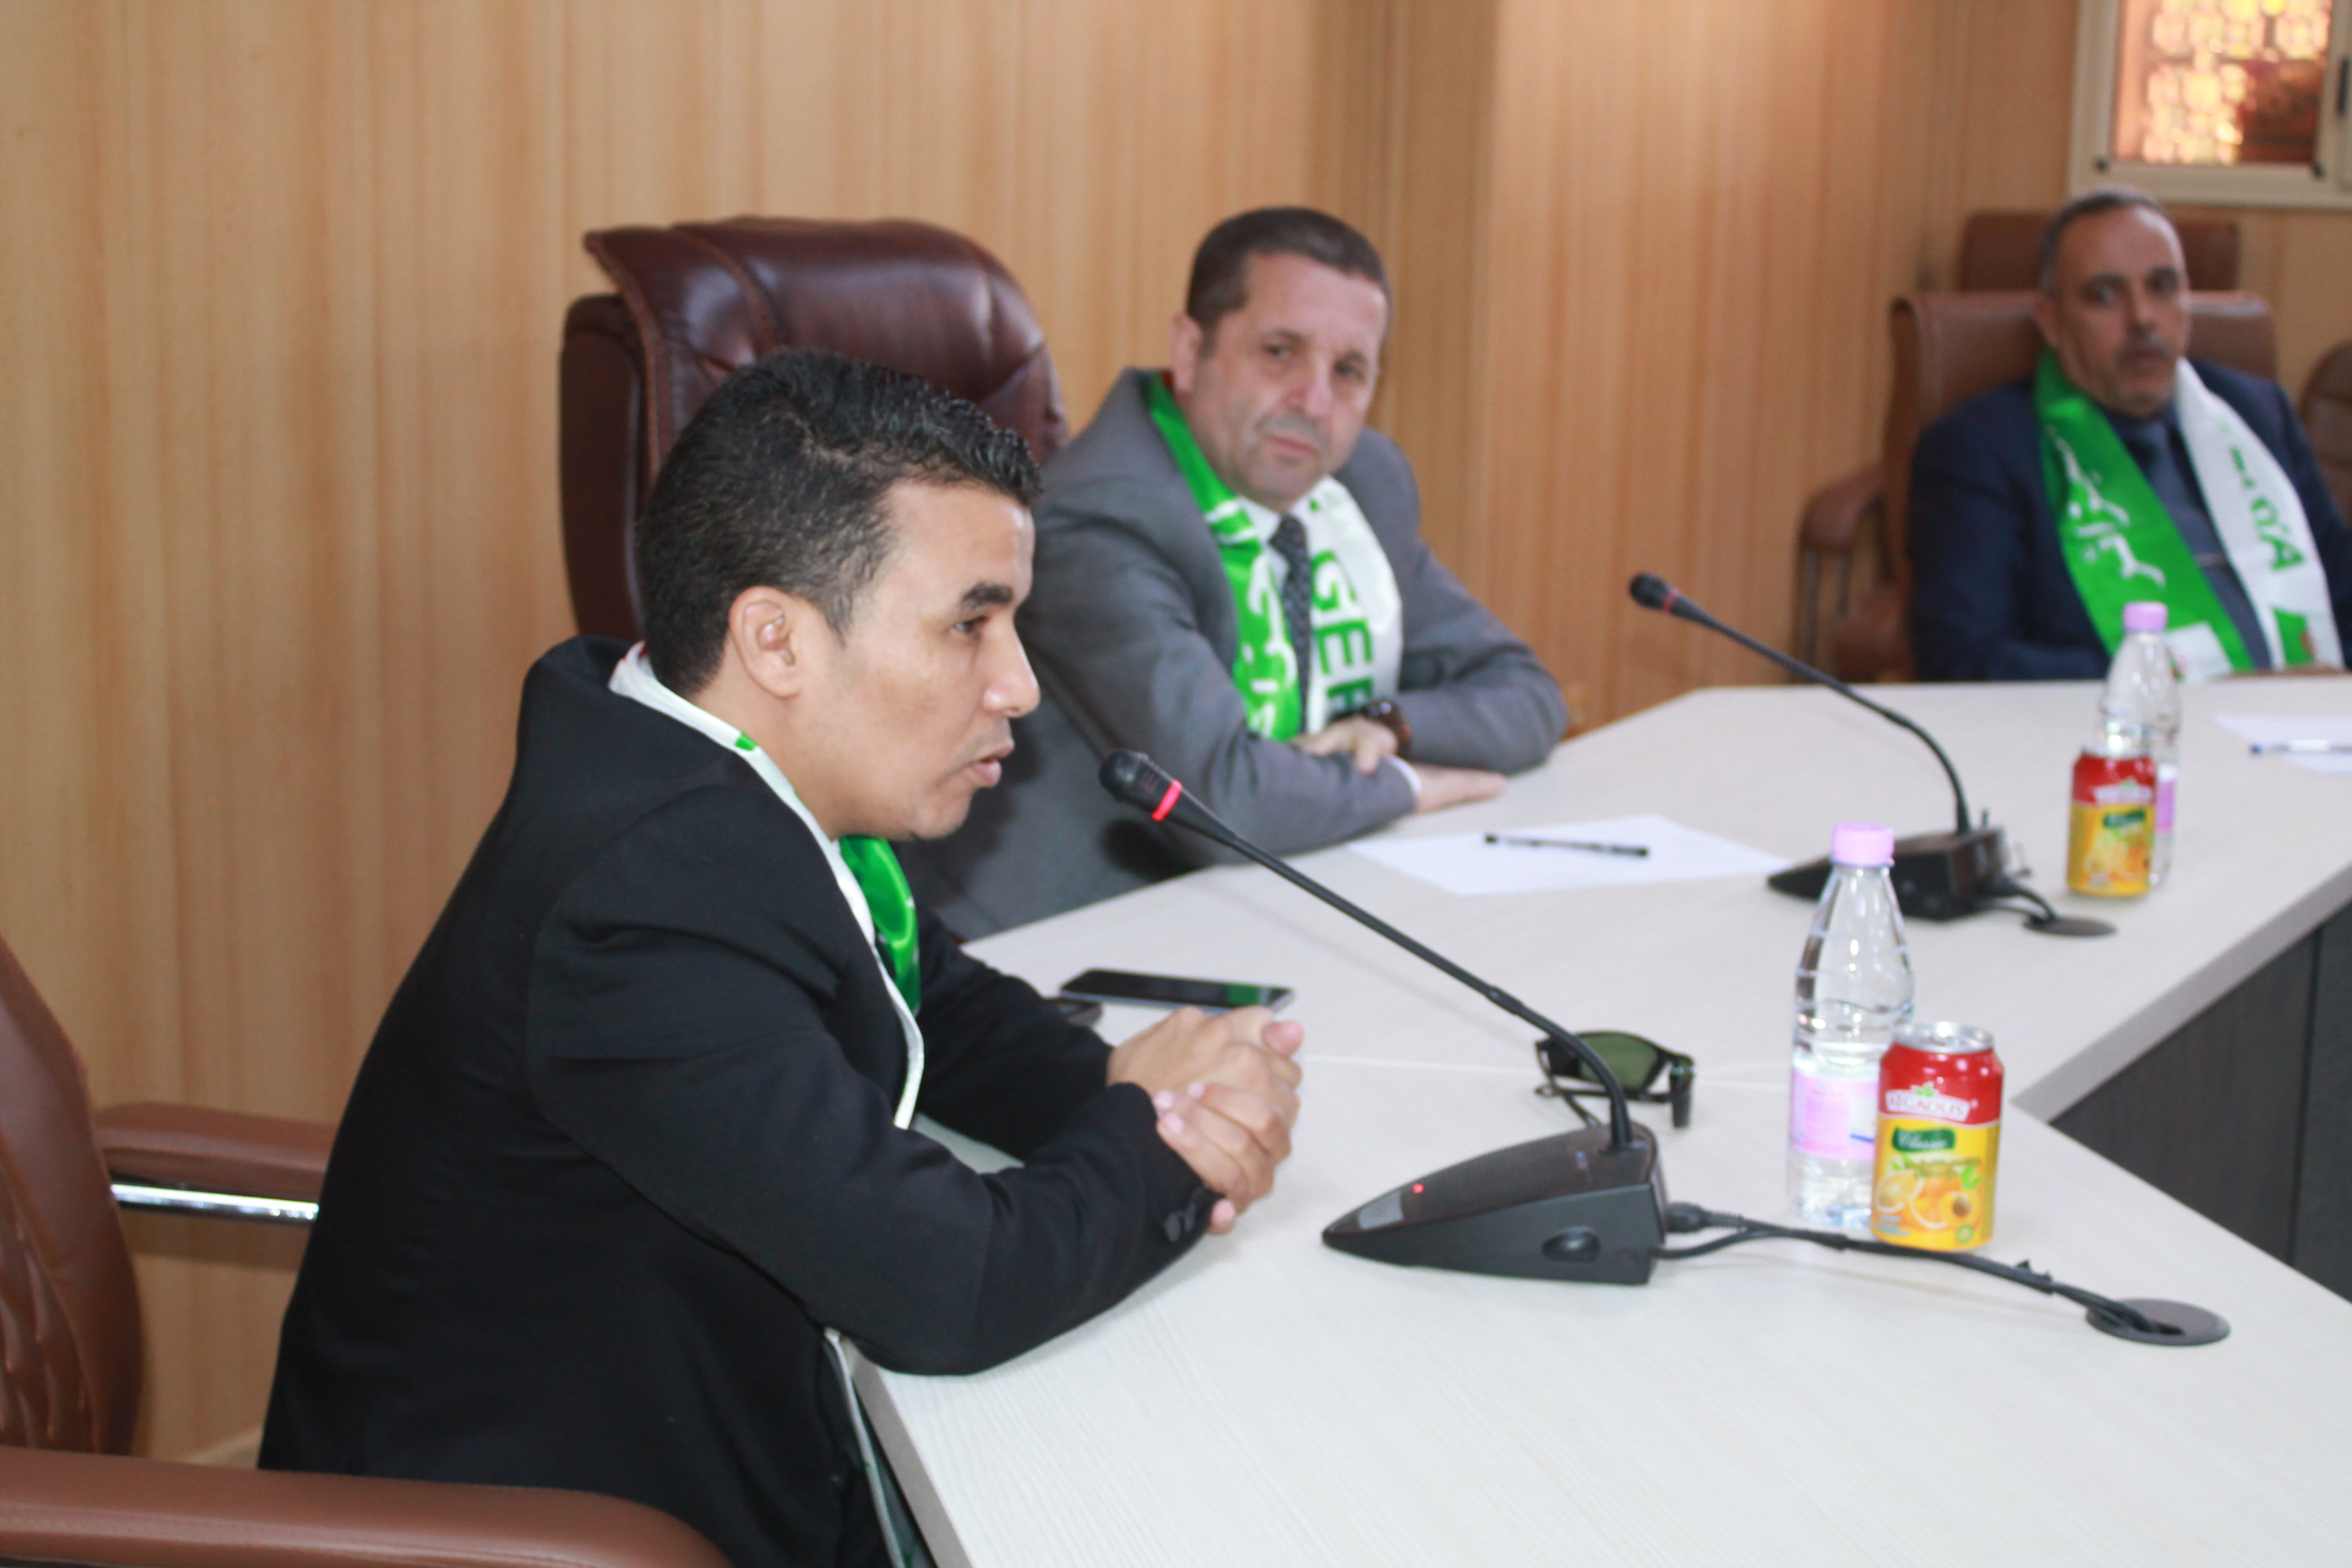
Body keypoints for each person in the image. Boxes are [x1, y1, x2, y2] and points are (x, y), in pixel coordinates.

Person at [259, 351, 1304, 1568]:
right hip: (540, 1527)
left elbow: (929, 1002)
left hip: (705, 1436)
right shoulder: (640, 904)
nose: (1019, 683)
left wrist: (1146, 1087)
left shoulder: (717, 771)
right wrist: (1159, 1143)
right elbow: (944, 1288)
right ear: (776, 639)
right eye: (970, 623)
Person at [903, 208, 1569, 937]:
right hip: (1080, 932)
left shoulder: (1361, 484)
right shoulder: (1103, 516)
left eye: (1349, 371)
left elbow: (1529, 696)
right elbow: (1226, 801)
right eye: (1280, 353)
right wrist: (1405, 785)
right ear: (1191, 351)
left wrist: (1387, 727)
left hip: (1294, 886)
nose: (1316, 403)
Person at [1908, 187, 2352, 682]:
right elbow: (1966, 661)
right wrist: (2184, 681)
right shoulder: (1982, 449)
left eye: (2162, 287)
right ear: (2053, 322)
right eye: (2105, 295)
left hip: (2310, 718)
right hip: (2123, 723)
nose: (2142, 317)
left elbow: (2343, 595)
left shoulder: (2258, 412)